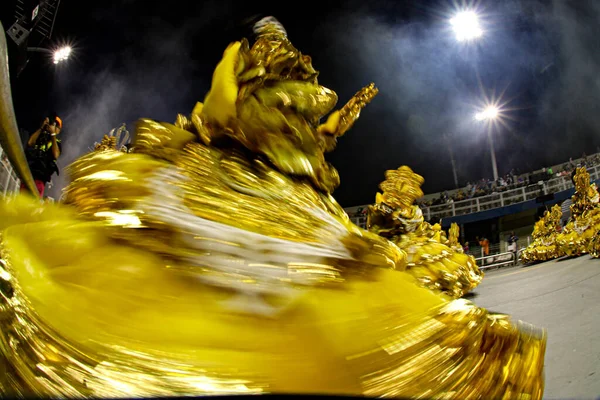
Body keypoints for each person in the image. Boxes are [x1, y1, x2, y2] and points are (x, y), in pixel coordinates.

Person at [21, 113, 62, 197]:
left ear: (58, 130)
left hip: (39, 180)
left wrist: (53, 134)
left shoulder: (56, 143)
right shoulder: (40, 137)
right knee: (20, 202)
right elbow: (30, 143)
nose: (51, 126)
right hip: (28, 174)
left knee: (31, 206)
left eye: (55, 126)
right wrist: (41, 127)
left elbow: (55, 155)